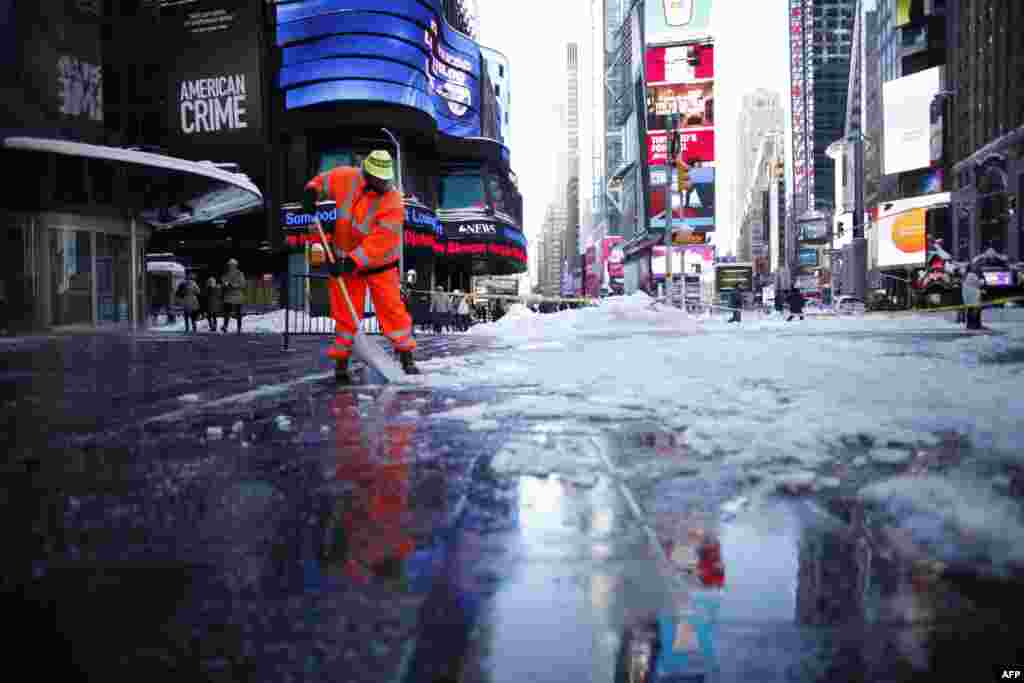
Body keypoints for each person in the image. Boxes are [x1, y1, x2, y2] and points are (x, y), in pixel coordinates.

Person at [304, 149, 419, 381]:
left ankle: (406, 356)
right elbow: (323, 180)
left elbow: (381, 241)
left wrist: (351, 261)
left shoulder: (393, 201)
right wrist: (311, 191)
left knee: (393, 312)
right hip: (344, 260)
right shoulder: (347, 177)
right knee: (345, 315)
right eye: (378, 180)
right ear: (367, 173)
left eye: (385, 180)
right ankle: (341, 363)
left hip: (380, 266)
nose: (383, 184)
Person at [221, 258, 246, 333]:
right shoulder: (226, 274)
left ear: (235, 265)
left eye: (232, 265)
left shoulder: (239, 273)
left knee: (238, 312)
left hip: (236, 294)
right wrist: (225, 284)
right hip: (229, 294)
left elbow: (243, 284)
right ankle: (225, 326)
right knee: (227, 312)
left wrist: (233, 285)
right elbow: (223, 281)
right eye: (230, 265)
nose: (231, 266)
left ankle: (239, 327)